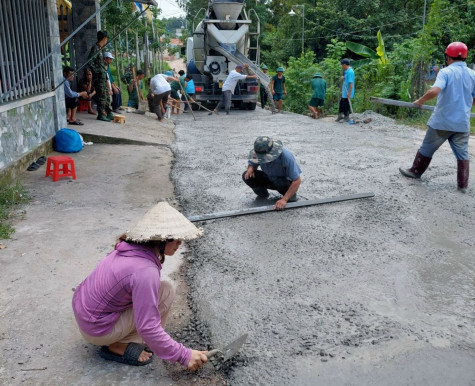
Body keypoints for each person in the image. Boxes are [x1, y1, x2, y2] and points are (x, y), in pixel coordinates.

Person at [72, 202, 208, 369]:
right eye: (176, 238)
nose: (180, 244)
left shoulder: (129, 247)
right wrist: (184, 355)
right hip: (96, 329)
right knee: (154, 315)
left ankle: (143, 340)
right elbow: (148, 326)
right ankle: (118, 344)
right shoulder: (145, 270)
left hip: (87, 315)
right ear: (162, 239)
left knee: (165, 290)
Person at [399, 42, 475, 193]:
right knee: (462, 154)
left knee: (427, 148)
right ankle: (462, 185)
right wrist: (466, 108)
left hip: (442, 121)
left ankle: (415, 171)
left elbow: (435, 91)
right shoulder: (473, 74)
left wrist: (420, 100)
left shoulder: (446, 72)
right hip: (462, 123)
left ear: (447, 57)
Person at [242, 136, 302, 210]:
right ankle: (263, 194)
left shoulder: (286, 157)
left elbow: (297, 180)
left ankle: (290, 196)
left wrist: (284, 199)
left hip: (283, 182)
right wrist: (250, 168)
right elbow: (252, 163)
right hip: (268, 177)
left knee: (280, 183)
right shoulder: (258, 152)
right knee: (247, 176)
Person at [88, 31, 113, 122]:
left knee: (106, 95)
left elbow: (99, 62)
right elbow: (90, 61)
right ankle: (101, 114)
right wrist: (97, 71)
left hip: (103, 76)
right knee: (102, 96)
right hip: (99, 77)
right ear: (104, 38)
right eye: (106, 38)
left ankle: (108, 112)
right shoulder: (95, 48)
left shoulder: (100, 49)